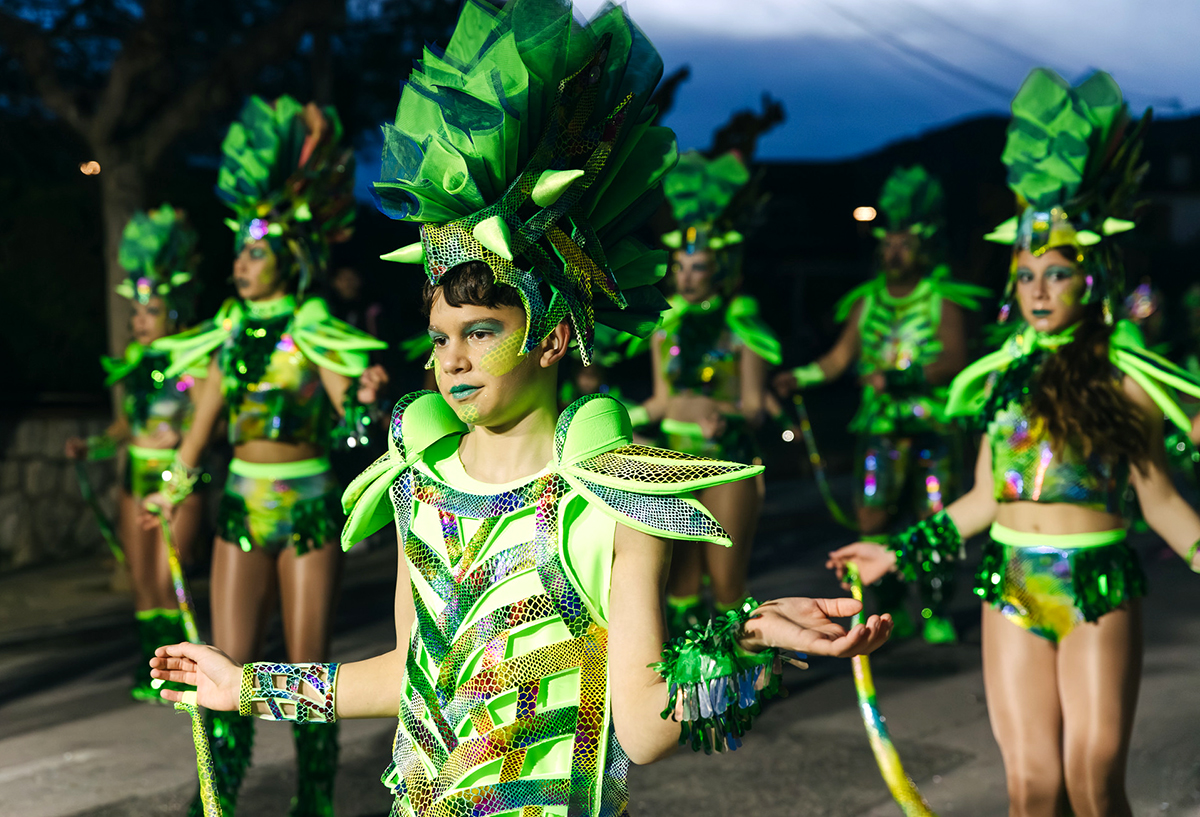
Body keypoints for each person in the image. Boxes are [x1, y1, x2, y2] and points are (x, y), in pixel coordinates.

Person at [150, 3, 893, 815]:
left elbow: (643, 727)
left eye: (480, 332)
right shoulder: (418, 484)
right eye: (440, 337)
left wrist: (744, 640)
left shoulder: (612, 495)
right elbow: (409, 674)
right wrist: (245, 685)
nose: (453, 360)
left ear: (550, 337)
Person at [827, 69, 1200, 817]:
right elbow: (983, 498)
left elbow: (1160, 499)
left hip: (1096, 581)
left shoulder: (1125, 378)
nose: (1037, 289)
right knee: (1031, 790)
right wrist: (896, 552)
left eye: (1057, 272)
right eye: (1026, 274)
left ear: (1090, 278)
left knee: (1094, 785)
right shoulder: (1000, 378)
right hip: (1012, 581)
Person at [144, 96, 388, 817]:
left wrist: (367, 401)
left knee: (309, 667)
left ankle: (313, 801)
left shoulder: (312, 323)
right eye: (240, 251)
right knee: (226, 659)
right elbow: (200, 427)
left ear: (289, 254)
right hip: (241, 507)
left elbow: (351, 419)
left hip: (308, 507)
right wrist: (173, 486)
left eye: (256, 251)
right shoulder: (228, 332)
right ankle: (215, 797)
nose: (242, 263)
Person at [775, 166, 990, 644]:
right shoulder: (867, 302)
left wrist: (898, 378)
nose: (894, 253)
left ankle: (934, 609)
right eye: (888, 244)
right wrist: (800, 377)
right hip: (881, 430)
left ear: (924, 248)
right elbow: (838, 359)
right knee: (872, 517)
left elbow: (954, 360)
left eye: (904, 244)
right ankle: (892, 606)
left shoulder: (941, 300)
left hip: (933, 428)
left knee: (936, 515)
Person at [637, 149, 783, 636]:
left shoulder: (742, 325)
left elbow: (755, 407)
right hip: (671, 462)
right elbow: (660, 402)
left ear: (719, 268)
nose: (685, 276)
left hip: (726, 460)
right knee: (678, 587)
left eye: (697, 267)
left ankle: (742, 671)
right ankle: (689, 678)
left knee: (726, 586)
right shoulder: (665, 326)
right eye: (680, 265)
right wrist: (616, 417)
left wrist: (730, 417)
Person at [65, 205, 205, 702]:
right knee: (142, 581)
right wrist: (94, 446)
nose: (140, 321)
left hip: (175, 480)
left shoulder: (193, 360)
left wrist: (184, 444)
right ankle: (153, 670)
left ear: (173, 313)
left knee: (171, 578)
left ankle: (180, 670)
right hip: (135, 477)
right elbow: (128, 425)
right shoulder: (134, 363)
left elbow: (209, 418)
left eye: (151, 312)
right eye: (136, 313)